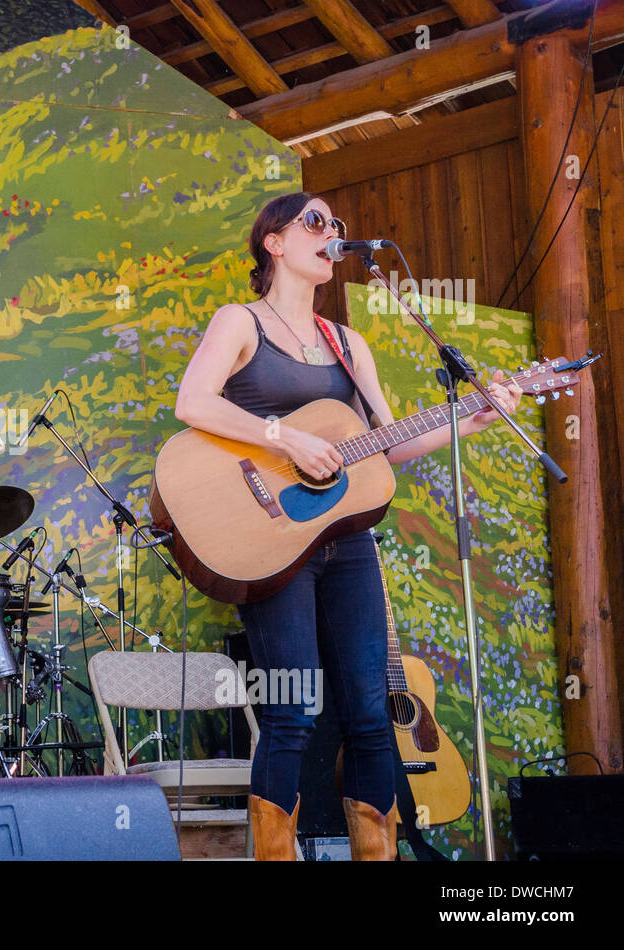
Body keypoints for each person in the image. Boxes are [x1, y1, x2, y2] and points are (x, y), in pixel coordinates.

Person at [174, 192, 522, 860]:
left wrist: (470, 418)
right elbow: (193, 402)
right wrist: (285, 440)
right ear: (272, 241)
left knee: (369, 715)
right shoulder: (239, 321)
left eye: (336, 225)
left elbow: (385, 444)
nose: (332, 231)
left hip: (347, 542)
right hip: (269, 541)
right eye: (314, 220)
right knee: (292, 712)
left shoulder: (346, 342)